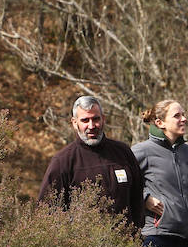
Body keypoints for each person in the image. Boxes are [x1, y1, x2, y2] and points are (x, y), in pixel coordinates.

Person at [37, 95, 144, 230]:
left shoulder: (123, 152)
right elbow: (46, 209)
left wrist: (136, 234)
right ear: (74, 123)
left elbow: (137, 197)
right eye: (85, 120)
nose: (91, 126)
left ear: (103, 119)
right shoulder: (63, 161)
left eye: (96, 119)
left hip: (126, 244)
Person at [132, 99, 188, 247]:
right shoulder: (142, 151)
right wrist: (145, 199)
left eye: (183, 115)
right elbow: (124, 185)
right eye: (177, 116)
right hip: (157, 237)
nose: (184, 119)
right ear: (160, 123)